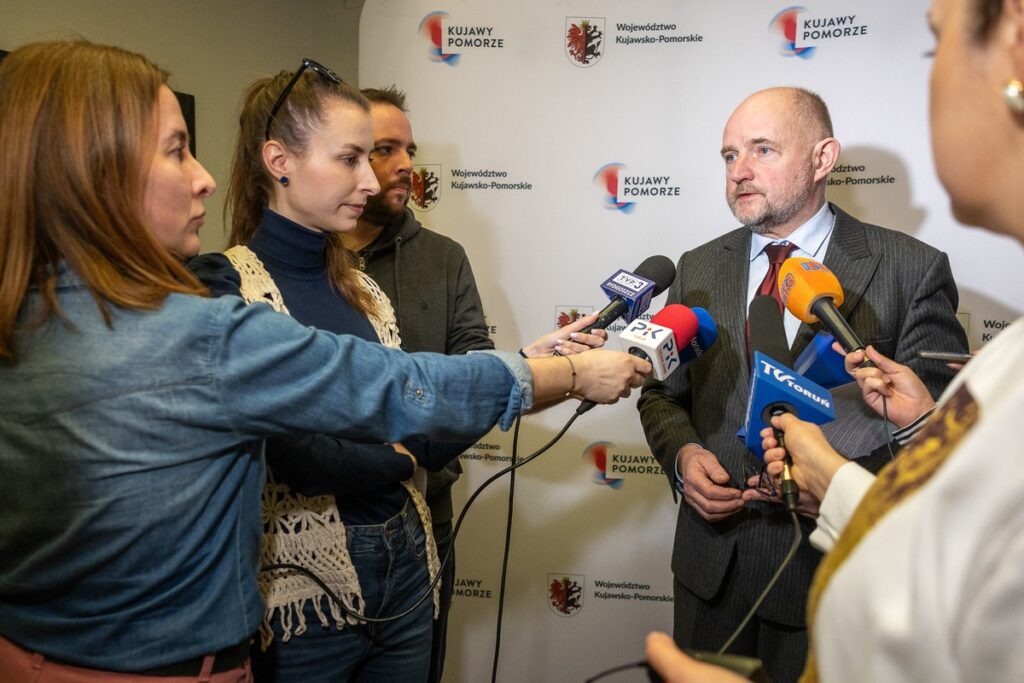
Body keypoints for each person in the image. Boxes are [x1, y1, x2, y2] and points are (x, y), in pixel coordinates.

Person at [0, 40, 650, 682]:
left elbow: (415, 414)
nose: (203, 175)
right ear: (92, 172)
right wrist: (567, 377)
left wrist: (523, 367)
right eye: (176, 149)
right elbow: (395, 394)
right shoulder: (205, 320)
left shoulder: (29, 319)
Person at [644, 0, 1024, 680]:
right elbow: (661, 393)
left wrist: (846, 482)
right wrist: (684, 457)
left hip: (834, 568)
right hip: (711, 571)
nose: (739, 170)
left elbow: (937, 429)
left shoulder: (912, 269)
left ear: (823, 158)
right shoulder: (698, 266)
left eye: (762, 150)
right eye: (730, 154)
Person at [340, 84, 605, 682]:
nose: (407, 164)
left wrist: (532, 365)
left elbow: (476, 373)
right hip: (320, 525)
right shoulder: (303, 263)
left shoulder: (444, 256)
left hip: (422, 519)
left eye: (410, 148)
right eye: (386, 148)